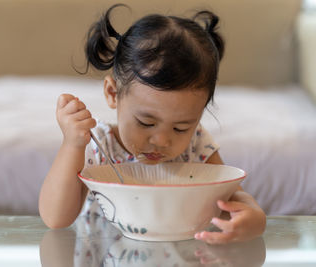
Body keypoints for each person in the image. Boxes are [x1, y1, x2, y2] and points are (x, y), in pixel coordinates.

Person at [39, 4, 266, 244]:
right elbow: (56, 219)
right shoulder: (99, 145)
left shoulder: (197, 145)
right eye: (146, 122)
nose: (162, 140)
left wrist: (255, 220)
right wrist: (71, 145)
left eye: (181, 127)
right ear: (112, 93)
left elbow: (236, 200)